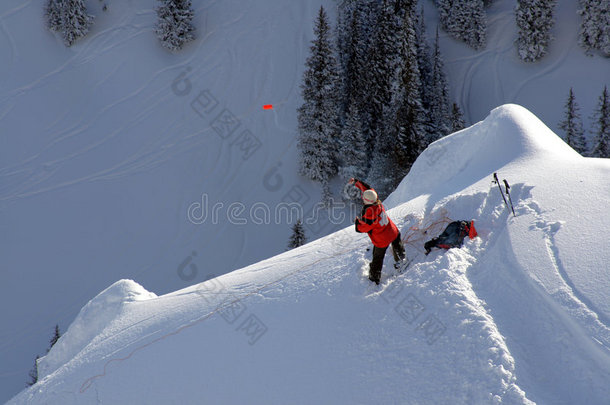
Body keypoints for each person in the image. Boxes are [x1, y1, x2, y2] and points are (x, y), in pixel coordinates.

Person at [349, 178, 406, 284]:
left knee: (377, 258)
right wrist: (356, 182)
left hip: (382, 239)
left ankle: (374, 278)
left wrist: (357, 222)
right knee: (397, 245)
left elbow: (362, 228)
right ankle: (401, 260)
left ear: (366, 201)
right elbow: (369, 190)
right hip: (392, 231)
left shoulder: (370, 214)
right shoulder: (376, 201)